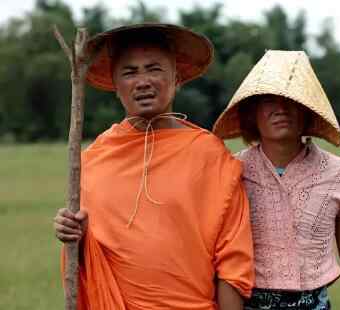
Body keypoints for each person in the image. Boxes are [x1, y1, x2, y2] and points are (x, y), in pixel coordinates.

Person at [53, 23, 254, 310]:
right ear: (115, 84)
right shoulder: (94, 159)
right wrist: (75, 233)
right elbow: (90, 258)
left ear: (177, 77)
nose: (143, 81)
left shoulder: (209, 155)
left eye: (154, 69)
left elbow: (233, 260)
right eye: (129, 72)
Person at [213, 50, 340, 309]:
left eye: (291, 100)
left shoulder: (339, 173)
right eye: (268, 100)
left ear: (307, 111)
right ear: (251, 113)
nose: (281, 108)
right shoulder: (231, 172)